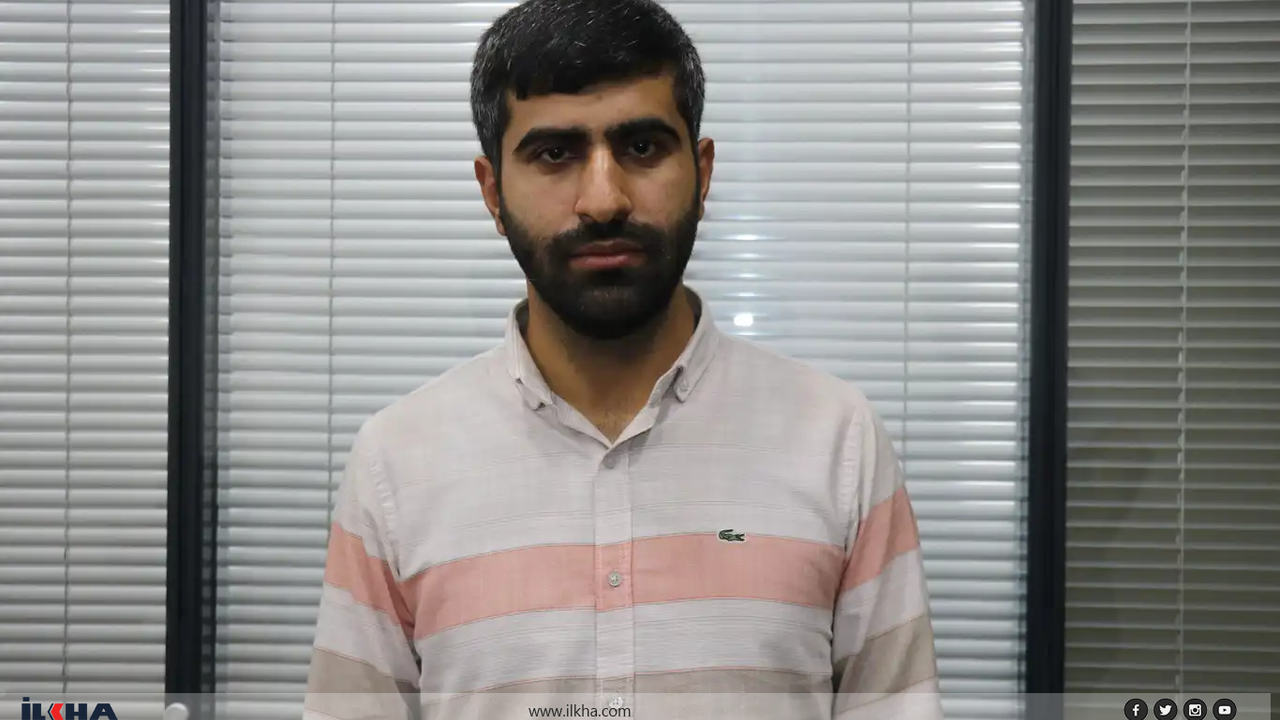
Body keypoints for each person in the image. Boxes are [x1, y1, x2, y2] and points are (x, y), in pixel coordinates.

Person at [303, 0, 943, 718]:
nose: (603, 200)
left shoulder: (838, 442)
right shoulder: (396, 463)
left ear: (702, 173)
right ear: (491, 192)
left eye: (641, 147)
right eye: (555, 154)